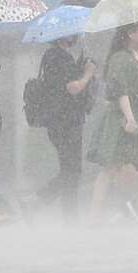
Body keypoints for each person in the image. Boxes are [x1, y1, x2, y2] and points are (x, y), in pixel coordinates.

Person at [88, 20, 138, 222]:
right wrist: (130, 119)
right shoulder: (120, 58)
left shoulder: (136, 55)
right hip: (123, 122)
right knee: (111, 167)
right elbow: (120, 91)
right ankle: (95, 216)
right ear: (131, 33)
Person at [35, 34, 97, 220]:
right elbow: (73, 87)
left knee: (70, 171)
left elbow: (61, 83)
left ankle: (63, 213)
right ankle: (48, 206)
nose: (77, 36)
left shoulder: (54, 56)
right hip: (65, 122)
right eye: (73, 33)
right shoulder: (58, 57)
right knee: (72, 172)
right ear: (64, 37)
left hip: (60, 121)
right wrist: (88, 74)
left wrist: (79, 65)